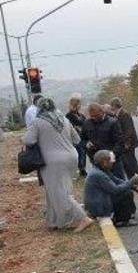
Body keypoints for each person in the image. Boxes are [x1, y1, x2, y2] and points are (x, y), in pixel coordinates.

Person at [22, 96, 93, 232]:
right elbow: (76, 139)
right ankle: (53, 221)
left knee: (59, 192)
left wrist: (23, 138)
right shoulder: (64, 119)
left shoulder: (38, 122)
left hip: (52, 161)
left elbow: (29, 140)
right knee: (55, 190)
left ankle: (82, 218)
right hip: (71, 157)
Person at [84, 150, 138, 227]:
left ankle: (126, 214)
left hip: (100, 201)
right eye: (111, 161)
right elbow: (115, 190)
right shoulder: (99, 175)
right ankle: (121, 220)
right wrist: (131, 182)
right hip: (99, 207)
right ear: (104, 162)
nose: (113, 163)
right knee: (126, 194)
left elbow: (116, 180)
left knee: (126, 191)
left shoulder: (102, 170)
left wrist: (134, 187)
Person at [81, 102, 125, 179]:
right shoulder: (86, 124)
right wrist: (87, 144)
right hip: (96, 161)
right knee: (103, 186)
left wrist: (111, 157)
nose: (94, 118)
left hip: (113, 160)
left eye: (96, 115)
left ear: (102, 111)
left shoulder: (113, 122)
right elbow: (82, 139)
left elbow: (119, 142)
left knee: (119, 183)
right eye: (92, 116)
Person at [111, 97, 138, 181]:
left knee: (132, 163)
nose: (111, 107)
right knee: (126, 164)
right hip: (125, 143)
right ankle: (132, 180)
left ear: (115, 105)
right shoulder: (118, 114)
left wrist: (127, 143)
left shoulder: (124, 114)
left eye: (112, 105)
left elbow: (129, 130)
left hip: (128, 143)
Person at [65, 93, 88, 177]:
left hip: (83, 137)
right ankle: (81, 169)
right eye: (78, 104)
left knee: (83, 153)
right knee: (79, 153)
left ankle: (83, 168)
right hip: (75, 138)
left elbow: (85, 123)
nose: (80, 106)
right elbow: (69, 127)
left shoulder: (81, 115)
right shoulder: (69, 115)